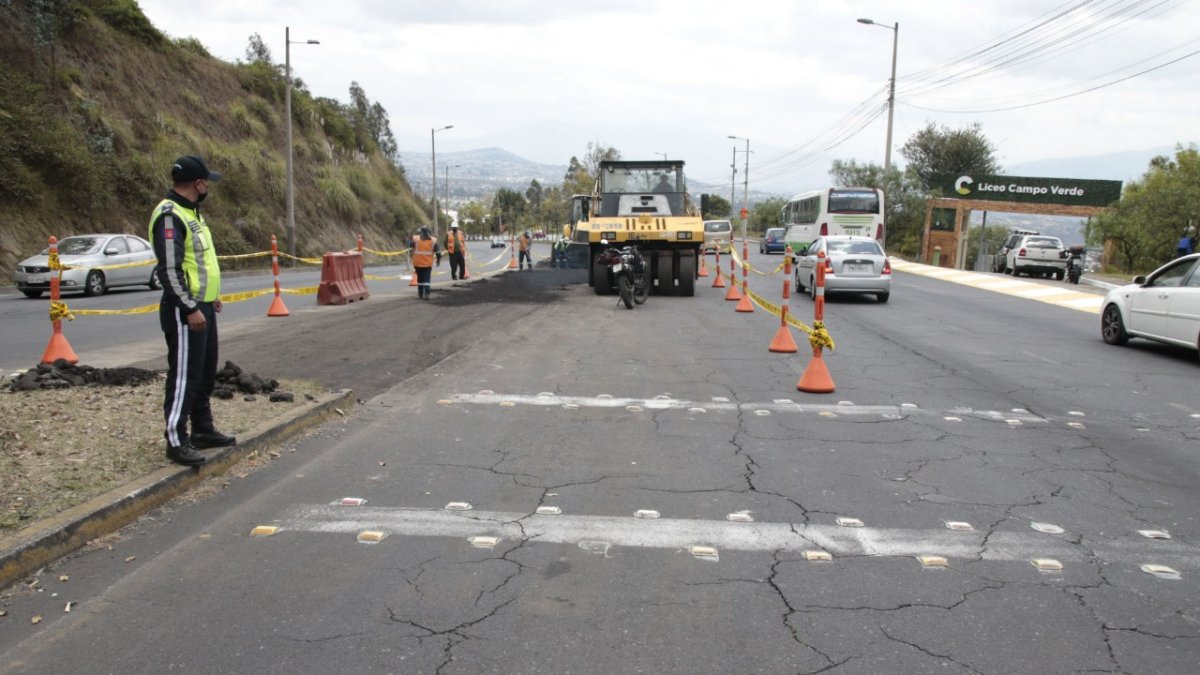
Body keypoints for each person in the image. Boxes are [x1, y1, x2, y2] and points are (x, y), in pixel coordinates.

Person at [149, 156, 236, 467]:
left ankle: (202, 429)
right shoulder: (170, 216)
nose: (208, 186)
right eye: (206, 182)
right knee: (184, 376)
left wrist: (212, 297)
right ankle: (176, 439)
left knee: (203, 373)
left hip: (203, 305)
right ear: (198, 184)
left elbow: (199, 263)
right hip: (184, 309)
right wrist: (188, 306)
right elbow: (169, 270)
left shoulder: (191, 213)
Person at [412, 227, 441, 299]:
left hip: (418, 263)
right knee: (426, 279)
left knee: (420, 279)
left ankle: (420, 294)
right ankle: (427, 294)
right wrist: (438, 260)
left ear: (421, 233)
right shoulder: (433, 240)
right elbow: (438, 252)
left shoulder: (416, 239)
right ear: (429, 232)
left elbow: (409, 244)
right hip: (427, 264)